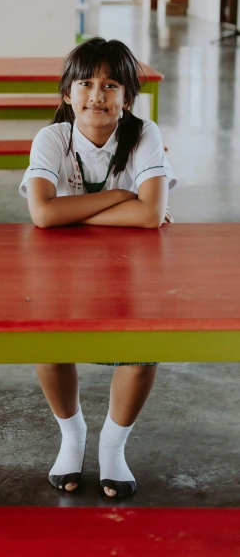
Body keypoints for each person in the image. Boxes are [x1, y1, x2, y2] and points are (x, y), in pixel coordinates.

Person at [19, 37, 176, 499]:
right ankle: (72, 436)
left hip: (131, 267)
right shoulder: (52, 138)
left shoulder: (144, 133)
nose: (98, 95)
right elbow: (43, 215)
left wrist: (76, 209)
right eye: (86, 83)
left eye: (111, 85)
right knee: (49, 348)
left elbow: (149, 218)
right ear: (67, 93)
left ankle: (113, 446)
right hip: (59, 267)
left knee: (140, 352)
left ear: (128, 97)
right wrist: (123, 197)